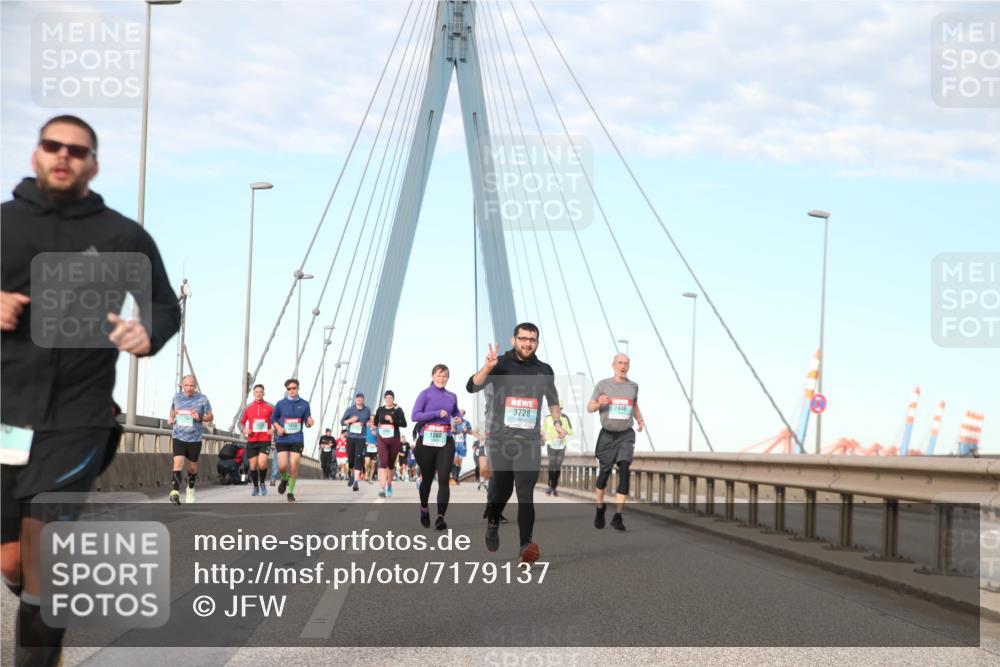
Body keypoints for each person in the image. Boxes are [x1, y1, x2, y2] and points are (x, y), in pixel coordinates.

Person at [1, 115, 180, 666]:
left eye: (77, 151)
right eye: (53, 146)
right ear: (36, 154)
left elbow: (163, 303)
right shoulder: (4, 224)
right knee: (12, 560)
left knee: (45, 555)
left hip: (78, 418)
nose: (64, 156)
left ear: (93, 165)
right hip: (5, 412)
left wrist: (145, 331)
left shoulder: (121, 235)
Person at [468, 323, 564, 565]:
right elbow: (473, 385)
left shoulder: (544, 370)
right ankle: (492, 521)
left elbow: (553, 398)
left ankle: (525, 545)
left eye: (532, 339)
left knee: (525, 493)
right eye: (523, 338)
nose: (527, 343)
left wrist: (557, 421)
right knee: (501, 489)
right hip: (500, 440)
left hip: (529, 441)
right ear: (514, 340)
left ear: (537, 343)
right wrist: (487, 367)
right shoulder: (500, 364)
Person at [589, 354, 644, 531]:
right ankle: (600, 507)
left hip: (625, 434)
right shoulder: (603, 385)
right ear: (613, 365)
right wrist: (599, 403)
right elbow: (590, 407)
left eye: (626, 364)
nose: (623, 366)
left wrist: (640, 419)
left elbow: (634, 405)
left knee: (625, 469)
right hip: (607, 435)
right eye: (620, 363)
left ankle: (618, 516)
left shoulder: (633, 386)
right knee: (604, 475)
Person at [412, 364, 463, 530]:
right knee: (427, 478)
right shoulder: (425, 394)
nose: (442, 379)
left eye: (445, 376)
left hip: (445, 440)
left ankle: (440, 517)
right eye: (439, 376)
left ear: (448, 378)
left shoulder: (452, 396)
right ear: (433, 376)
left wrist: (458, 418)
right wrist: (435, 413)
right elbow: (415, 416)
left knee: (443, 479)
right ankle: (424, 508)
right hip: (426, 441)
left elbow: (455, 413)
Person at [167, 376, 213, 504]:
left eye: (192, 386)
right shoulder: (176, 397)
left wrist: (200, 417)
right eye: (186, 385)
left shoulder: (202, 399)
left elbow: (210, 416)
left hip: (194, 438)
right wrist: (171, 418)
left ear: (195, 386)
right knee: (178, 462)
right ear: (182, 385)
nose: (189, 388)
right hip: (178, 436)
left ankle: (191, 489)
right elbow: (172, 410)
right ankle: (175, 491)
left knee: (192, 467)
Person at [272, 378, 314, 502]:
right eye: (289, 389)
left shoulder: (305, 404)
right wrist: (278, 427)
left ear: (298, 388)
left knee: (294, 466)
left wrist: (310, 423)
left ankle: (290, 492)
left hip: (297, 438)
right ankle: (284, 478)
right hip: (283, 438)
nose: (291, 390)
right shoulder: (280, 404)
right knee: (283, 467)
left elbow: (307, 421)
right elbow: (273, 418)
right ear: (287, 390)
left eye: (294, 388)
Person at [239, 383, 273, 496]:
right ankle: (255, 487)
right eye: (256, 392)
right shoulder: (248, 408)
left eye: (260, 392)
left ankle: (262, 483)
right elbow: (240, 423)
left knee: (262, 464)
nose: (258, 394)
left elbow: (278, 420)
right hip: (252, 440)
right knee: (253, 466)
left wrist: (273, 429)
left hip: (265, 440)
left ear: (264, 393)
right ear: (253, 394)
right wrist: (244, 430)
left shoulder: (270, 407)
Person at [373, 390, 407, 498]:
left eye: (390, 398)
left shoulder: (398, 410)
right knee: (383, 462)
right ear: (384, 399)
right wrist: (375, 428)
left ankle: (389, 485)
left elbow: (404, 424)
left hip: (394, 439)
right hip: (382, 439)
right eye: (387, 398)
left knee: (391, 464)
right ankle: (382, 488)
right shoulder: (380, 409)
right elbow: (375, 421)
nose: (388, 399)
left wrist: (393, 420)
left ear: (393, 399)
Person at [341, 393, 371, 492]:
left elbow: (368, 421)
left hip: (361, 438)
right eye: (358, 398)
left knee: (358, 459)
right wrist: (350, 420)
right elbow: (342, 422)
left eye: (361, 398)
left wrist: (368, 423)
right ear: (355, 400)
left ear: (363, 400)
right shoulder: (350, 410)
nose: (359, 400)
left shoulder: (367, 410)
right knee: (351, 460)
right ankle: (352, 475)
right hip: (351, 437)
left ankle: (355, 482)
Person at [542, 404, 574, 496]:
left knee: (557, 466)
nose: (557, 411)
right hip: (551, 444)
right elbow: (543, 430)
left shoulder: (565, 418)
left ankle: (554, 487)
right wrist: (543, 438)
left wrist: (565, 431)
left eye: (559, 409)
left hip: (561, 445)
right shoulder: (547, 418)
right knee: (552, 464)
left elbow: (571, 431)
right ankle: (550, 486)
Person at [451, 409, 472, 485]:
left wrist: (467, 431)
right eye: (459, 412)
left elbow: (471, 432)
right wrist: (453, 429)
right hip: (455, 444)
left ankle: (456, 477)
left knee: (459, 463)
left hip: (463, 445)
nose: (460, 414)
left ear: (463, 414)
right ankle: (454, 477)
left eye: (461, 413)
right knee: (454, 460)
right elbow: (451, 431)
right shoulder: (454, 422)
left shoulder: (467, 423)